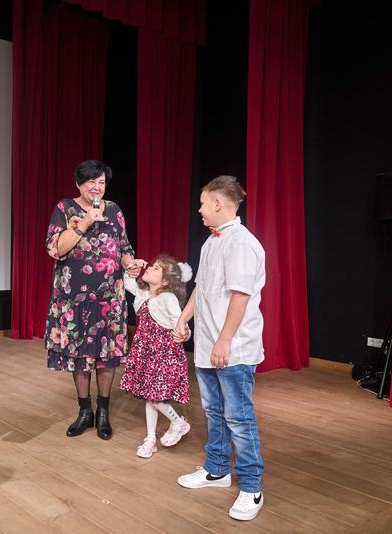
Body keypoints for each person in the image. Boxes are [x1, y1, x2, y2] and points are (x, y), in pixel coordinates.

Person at [173, 175, 266, 521]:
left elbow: (241, 296)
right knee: (214, 412)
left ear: (217, 203)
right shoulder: (211, 242)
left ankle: (252, 487)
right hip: (207, 344)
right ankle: (216, 470)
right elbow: (201, 287)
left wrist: (224, 340)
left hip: (232, 348)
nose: (199, 209)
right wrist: (184, 318)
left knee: (238, 417)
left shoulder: (241, 243)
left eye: (202, 203)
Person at [44, 160, 139, 440]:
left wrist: (129, 263)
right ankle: (85, 411)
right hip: (74, 298)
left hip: (110, 297)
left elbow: (124, 247)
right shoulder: (65, 208)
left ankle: (103, 411)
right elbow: (54, 249)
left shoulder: (114, 210)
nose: (96, 187)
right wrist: (84, 222)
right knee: (80, 354)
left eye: (101, 182)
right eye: (91, 182)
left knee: (106, 354)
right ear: (78, 184)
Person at [120, 255, 193, 458]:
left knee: (154, 396)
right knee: (149, 394)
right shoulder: (143, 292)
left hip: (164, 353)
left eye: (155, 268)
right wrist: (132, 266)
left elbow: (181, 323)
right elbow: (128, 282)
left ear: (165, 281)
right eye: (151, 266)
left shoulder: (168, 298)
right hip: (145, 351)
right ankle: (150, 438)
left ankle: (178, 422)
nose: (150, 268)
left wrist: (185, 334)